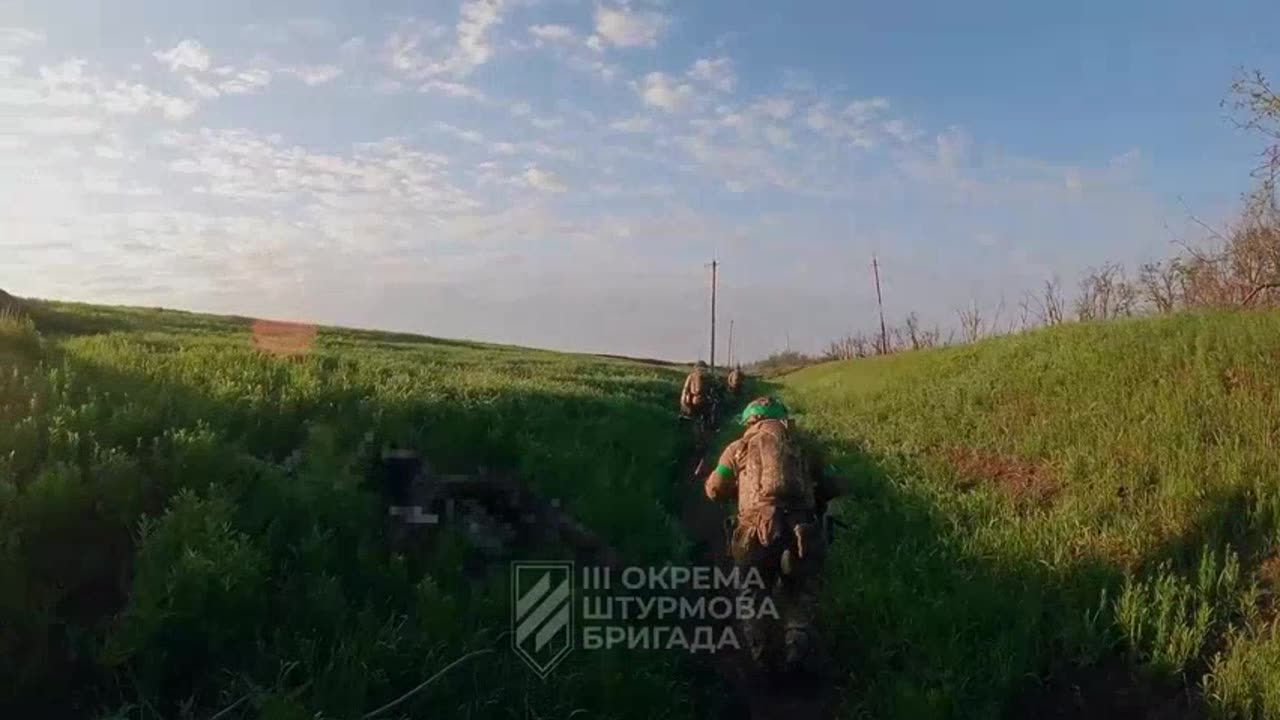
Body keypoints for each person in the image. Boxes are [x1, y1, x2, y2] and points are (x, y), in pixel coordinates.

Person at [704, 396, 844, 675]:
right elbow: (835, 483)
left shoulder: (737, 447)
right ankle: (797, 645)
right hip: (802, 531)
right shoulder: (806, 445)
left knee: (752, 593)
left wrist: (735, 491)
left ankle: (761, 655)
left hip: (754, 532)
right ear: (782, 418)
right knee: (800, 592)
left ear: (750, 421)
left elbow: (715, 488)